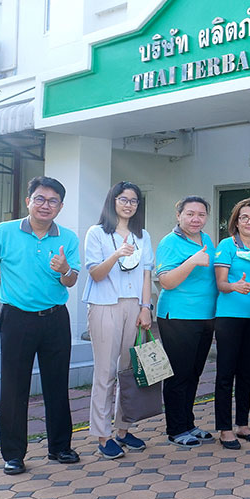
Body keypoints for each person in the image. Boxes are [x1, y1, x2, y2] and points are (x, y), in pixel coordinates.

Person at [0, 176, 81, 475]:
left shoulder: (68, 238)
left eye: (52, 201)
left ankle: (59, 447)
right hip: (17, 319)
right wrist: (6, 297)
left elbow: (71, 281)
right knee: (13, 387)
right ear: (28, 201)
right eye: (40, 199)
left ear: (60, 206)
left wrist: (65, 270)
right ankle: (13, 455)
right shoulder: (4, 231)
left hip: (55, 318)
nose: (45, 205)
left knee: (57, 384)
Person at [82, 181, 154, 459]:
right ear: (112, 201)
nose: (128, 205)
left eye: (134, 200)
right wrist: (115, 254)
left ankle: (123, 429)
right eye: (123, 199)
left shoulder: (142, 236)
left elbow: (146, 274)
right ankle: (103, 434)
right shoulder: (97, 233)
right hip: (104, 305)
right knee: (105, 372)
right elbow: (96, 274)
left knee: (128, 370)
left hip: (134, 306)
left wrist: (146, 307)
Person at [155, 196, 218, 448]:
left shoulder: (206, 239)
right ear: (178, 215)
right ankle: (176, 429)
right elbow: (166, 281)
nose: (195, 219)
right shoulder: (169, 242)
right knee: (178, 375)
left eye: (201, 214)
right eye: (190, 214)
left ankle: (188, 423)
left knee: (194, 373)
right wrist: (191, 261)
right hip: (178, 316)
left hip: (205, 317)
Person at [213, 198, 250, 450]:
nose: (249, 221)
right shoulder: (227, 246)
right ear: (236, 221)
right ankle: (225, 429)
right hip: (230, 317)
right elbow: (221, 284)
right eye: (244, 217)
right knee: (226, 373)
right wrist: (234, 286)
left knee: (246, 373)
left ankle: (242, 425)